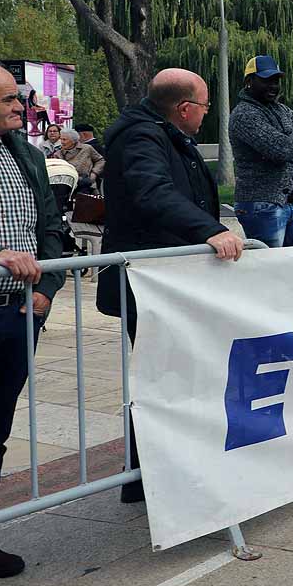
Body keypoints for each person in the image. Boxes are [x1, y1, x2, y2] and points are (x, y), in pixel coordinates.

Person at [98, 69, 244, 503]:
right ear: (184, 109)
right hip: (149, 282)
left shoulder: (162, 133)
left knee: (169, 376)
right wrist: (209, 230)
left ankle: (149, 475)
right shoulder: (143, 137)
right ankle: (148, 477)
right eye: (203, 107)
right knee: (161, 379)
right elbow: (153, 192)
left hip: (168, 280)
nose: (205, 115)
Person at [0, 58, 65, 577]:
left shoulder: (26, 155)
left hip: (15, 314)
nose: (21, 106)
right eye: (10, 98)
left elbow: (51, 225)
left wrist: (49, 288)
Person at [229, 55, 293, 247]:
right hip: (260, 206)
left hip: (287, 204)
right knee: (272, 270)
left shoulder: (283, 111)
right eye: (266, 80)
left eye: (276, 80)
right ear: (249, 81)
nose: (273, 86)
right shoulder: (244, 114)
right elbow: (280, 150)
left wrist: (289, 142)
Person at [58, 128, 105, 193]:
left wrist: (94, 173)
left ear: (73, 141)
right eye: (61, 139)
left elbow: (100, 160)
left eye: (64, 139)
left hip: (87, 185)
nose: (62, 142)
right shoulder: (58, 154)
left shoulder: (87, 148)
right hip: (67, 186)